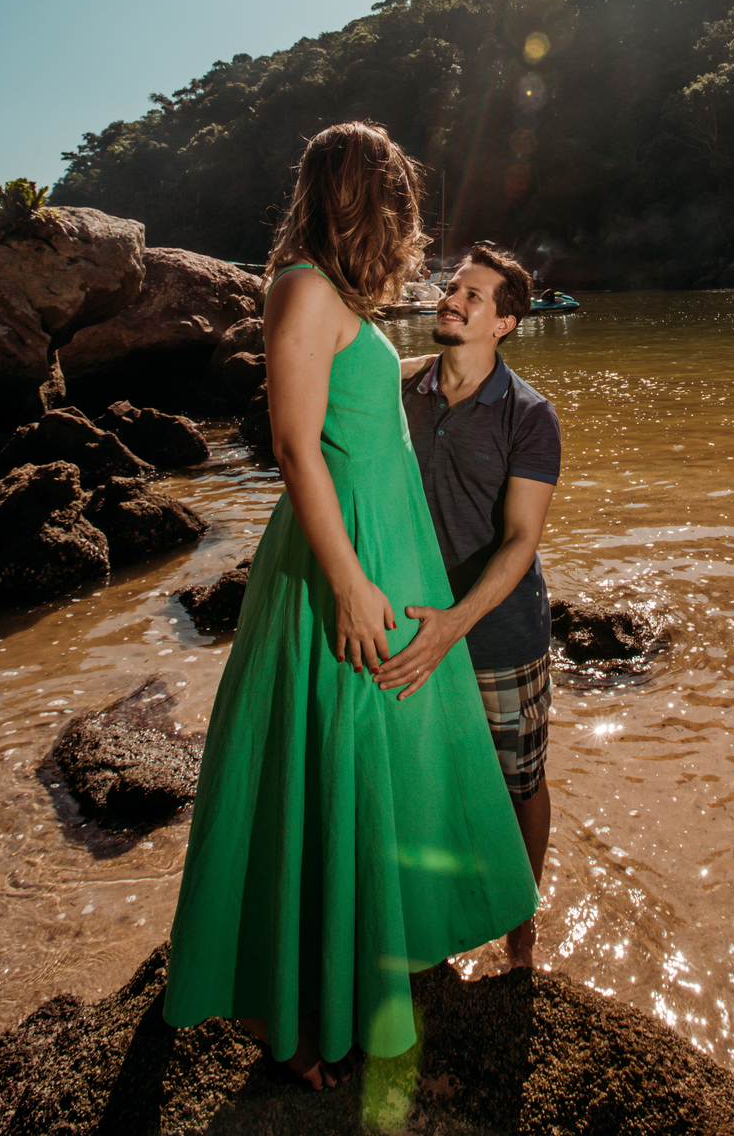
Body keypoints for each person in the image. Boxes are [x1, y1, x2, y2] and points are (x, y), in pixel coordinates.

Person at [163, 126, 537, 1089]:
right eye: (398, 198)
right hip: (343, 565)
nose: (409, 219)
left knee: (373, 775)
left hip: (379, 551)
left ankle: (362, 970)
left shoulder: (336, 295)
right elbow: (294, 446)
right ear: (364, 197)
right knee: (324, 771)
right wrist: (350, 582)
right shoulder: (301, 286)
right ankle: (290, 1014)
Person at [377, 242, 560, 969]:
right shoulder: (401, 389)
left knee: (518, 783)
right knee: (424, 784)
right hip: (411, 627)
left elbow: (520, 541)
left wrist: (456, 624)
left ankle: (520, 923)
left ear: (505, 323)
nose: (450, 299)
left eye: (472, 295)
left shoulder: (529, 415)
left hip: (499, 636)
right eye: (452, 287)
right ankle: (437, 923)